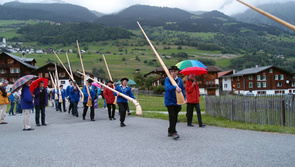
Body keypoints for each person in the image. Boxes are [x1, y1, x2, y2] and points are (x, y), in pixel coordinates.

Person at [165, 66, 186, 139]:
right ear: (170, 72)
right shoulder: (168, 79)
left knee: (175, 117)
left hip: (178, 101)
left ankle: (170, 130)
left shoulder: (179, 80)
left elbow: (182, 90)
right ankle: (174, 132)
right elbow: (167, 88)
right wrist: (175, 88)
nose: (173, 73)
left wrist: (184, 98)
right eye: (172, 71)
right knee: (172, 116)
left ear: (177, 72)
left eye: (175, 71)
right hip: (170, 101)